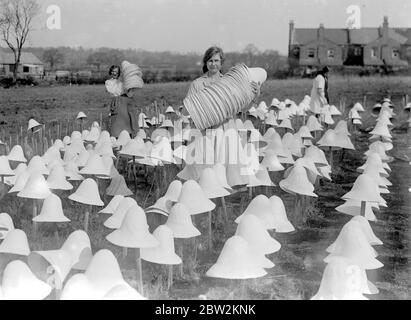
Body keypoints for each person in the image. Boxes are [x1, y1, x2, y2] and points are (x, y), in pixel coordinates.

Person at [186, 46, 261, 115]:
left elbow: (242, 109)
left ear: (221, 63)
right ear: (206, 63)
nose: (213, 64)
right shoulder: (196, 84)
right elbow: (187, 111)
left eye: (216, 60)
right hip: (205, 129)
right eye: (210, 61)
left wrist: (255, 96)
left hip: (227, 128)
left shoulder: (230, 83)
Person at [107, 62, 143, 138]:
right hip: (117, 101)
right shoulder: (109, 82)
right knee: (117, 122)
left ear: (119, 72)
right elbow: (113, 91)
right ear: (111, 72)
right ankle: (117, 137)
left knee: (129, 119)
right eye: (113, 71)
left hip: (126, 100)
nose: (114, 73)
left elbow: (128, 90)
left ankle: (130, 136)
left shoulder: (123, 81)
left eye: (116, 72)